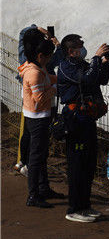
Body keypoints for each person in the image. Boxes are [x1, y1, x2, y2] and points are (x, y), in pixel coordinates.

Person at [57, 34, 109, 223]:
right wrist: (97, 58)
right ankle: (74, 208)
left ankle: (85, 205)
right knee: (77, 164)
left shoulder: (82, 64)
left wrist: (105, 62)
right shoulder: (65, 68)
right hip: (75, 120)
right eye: (80, 46)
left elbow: (100, 80)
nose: (83, 49)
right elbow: (86, 81)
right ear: (71, 51)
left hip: (87, 119)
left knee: (89, 162)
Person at [15, 25, 62, 176]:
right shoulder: (43, 60)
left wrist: (36, 28)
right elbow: (60, 57)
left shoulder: (25, 54)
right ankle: (33, 174)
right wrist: (57, 44)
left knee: (27, 133)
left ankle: (23, 161)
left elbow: (23, 33)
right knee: (39, 142)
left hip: (27, 101)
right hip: (42, 106)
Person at [17, 36, 57, 208]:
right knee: (36, 157)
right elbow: (40, 98)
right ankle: (33, 195)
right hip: (38, 117)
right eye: (49, 56)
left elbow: (47, 79)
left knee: (40, 155)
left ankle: (43, 188)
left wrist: (57, 80)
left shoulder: (32, 67)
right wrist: (55, 89)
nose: (50, 59)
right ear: (40, 56)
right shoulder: (34, 73)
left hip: (34, 116)